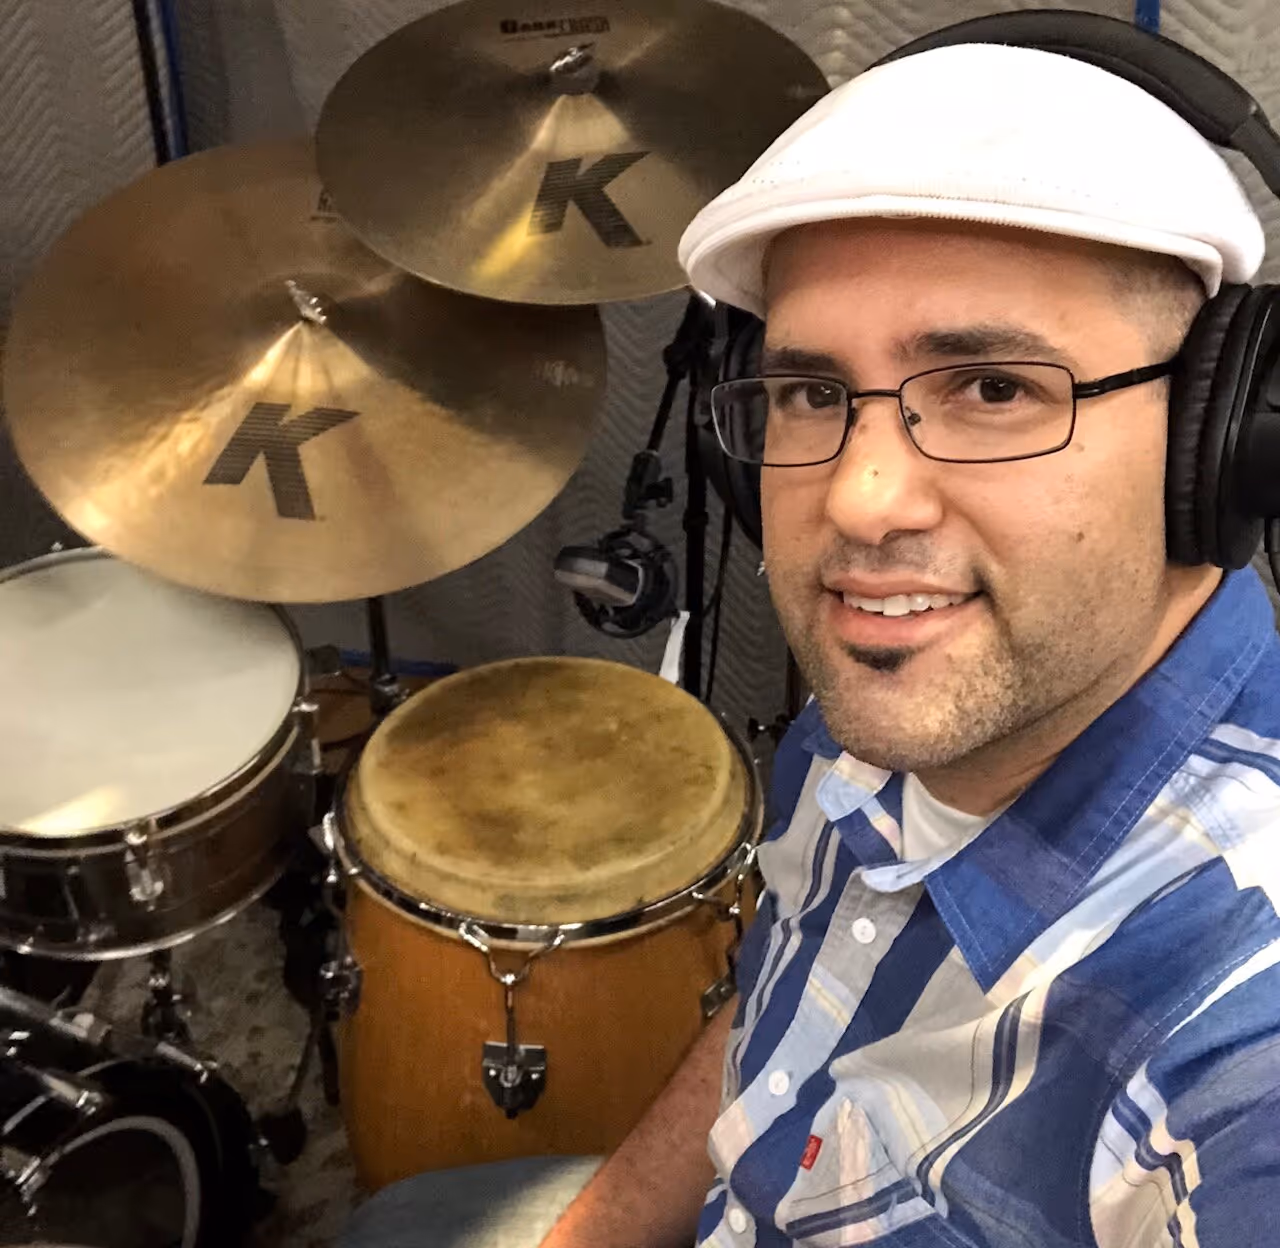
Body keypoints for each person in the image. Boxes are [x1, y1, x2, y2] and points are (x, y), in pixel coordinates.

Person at [340, 17, 1280, 1248]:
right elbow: (791, 1012)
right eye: (808, 394)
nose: (856, 498)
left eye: (992, 388)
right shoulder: (898, 704)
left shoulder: (1229, 1059)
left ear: (1221, 448)